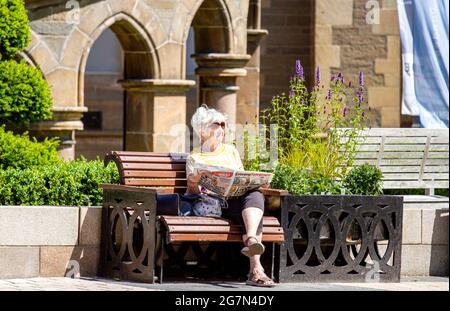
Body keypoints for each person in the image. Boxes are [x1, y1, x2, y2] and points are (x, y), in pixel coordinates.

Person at [185, 105, 276, 287]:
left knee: (255, 193)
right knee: (250, 213)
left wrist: (257, 182)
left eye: (224, 125)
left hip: (236, 200)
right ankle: (256, 269)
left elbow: (241, 178)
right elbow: (192, 194)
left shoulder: (231, 151)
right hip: (214, 204)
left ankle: (251, 241)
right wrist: (194, 182)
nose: (222, 128)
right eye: (217, 124)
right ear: (203, 130)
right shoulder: (195, 156)